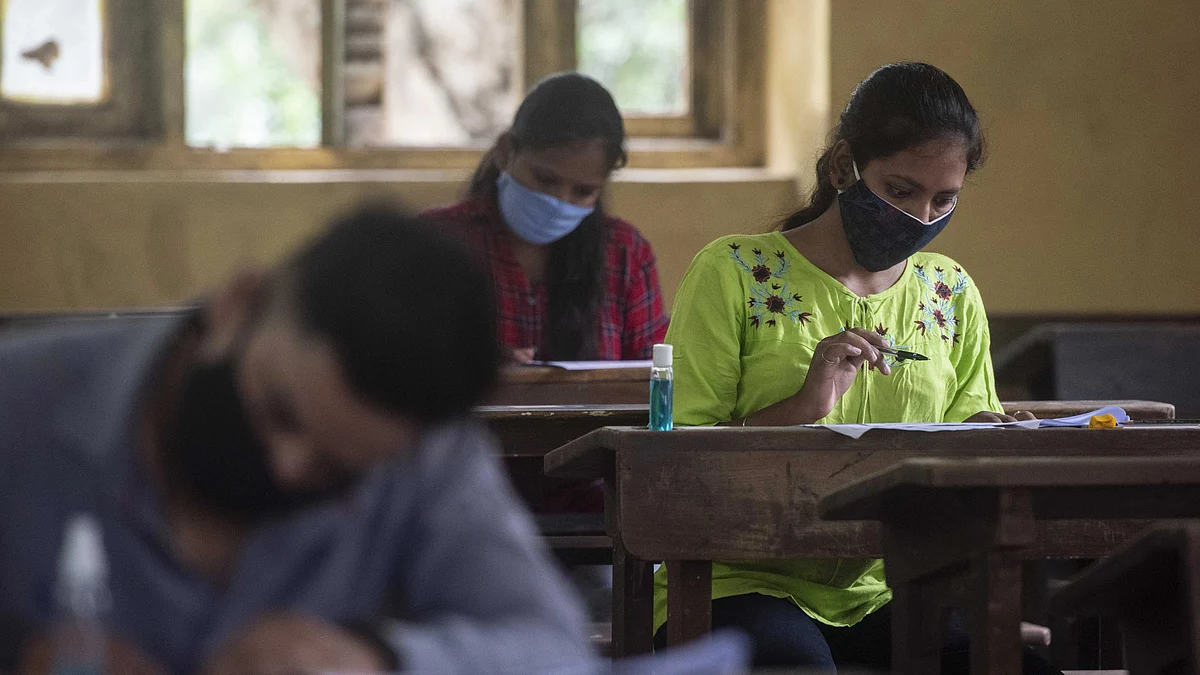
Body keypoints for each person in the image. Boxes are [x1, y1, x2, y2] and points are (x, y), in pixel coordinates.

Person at [0, 205, 594, 675]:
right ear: (238, 304)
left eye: (337, 467)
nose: (285, 467)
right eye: (278, 412)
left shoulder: (429, 454)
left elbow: (555, 649)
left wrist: (375, 659)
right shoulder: (22, 401)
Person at [654, 63, 1060, 673]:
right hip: (737, 578)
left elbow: (962, 435)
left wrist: (990, 435)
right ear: (844, 166)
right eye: (900, 191)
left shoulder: (949, 291)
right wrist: (802, 409)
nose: (922, 217)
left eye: (944, 199)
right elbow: (675, 465)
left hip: (890, 587)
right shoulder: (734, 272)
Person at [424, 72, 668, 364]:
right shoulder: (436, 242)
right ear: (505, 153)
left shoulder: (625, 254)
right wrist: (478, 368)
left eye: (583, 191)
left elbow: (653, 381)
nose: (560, 202)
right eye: (545, 179)